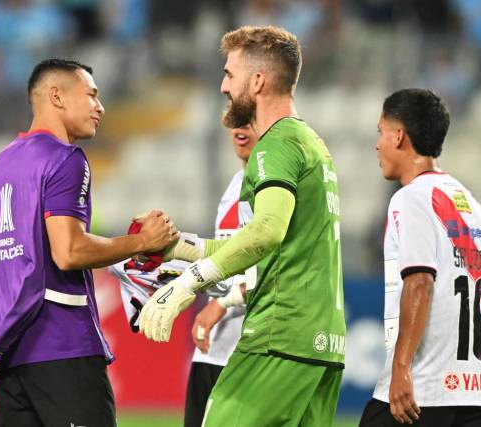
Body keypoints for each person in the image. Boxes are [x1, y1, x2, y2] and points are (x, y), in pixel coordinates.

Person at [138, 26, 346, 426]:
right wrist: (181, 247)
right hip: (321, 344)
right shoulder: (310, 142)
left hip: (277, 336)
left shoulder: (277, 144)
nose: (222, 86)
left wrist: (188, 283)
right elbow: (275, 243)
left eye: (230, 75)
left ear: (258, 81)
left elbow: (266, 231)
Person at [0, 58, 177, 426]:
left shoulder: (2, 163)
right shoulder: (65, 158)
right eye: (91, 95)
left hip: (11, 354)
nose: (100, 107)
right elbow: (68, 251)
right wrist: (142, 242)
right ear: (56, 96)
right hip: (62, 343)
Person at [359, 89, 481, 427]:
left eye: (381, 132)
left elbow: (420, 282)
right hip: (477, 395)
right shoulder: (473, 207)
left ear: (399, 136)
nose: (377, 144)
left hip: (423, 393)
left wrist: (401, 367)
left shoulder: (411, 199)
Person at [185, 124, 259, 427]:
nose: (240, 128)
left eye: (249, 120)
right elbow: (230, 261)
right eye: (234, 120)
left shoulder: (274, 189)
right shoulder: (234, 185)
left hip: (251, 352)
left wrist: (220, 304)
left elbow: (273, 271)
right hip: (212, 351)